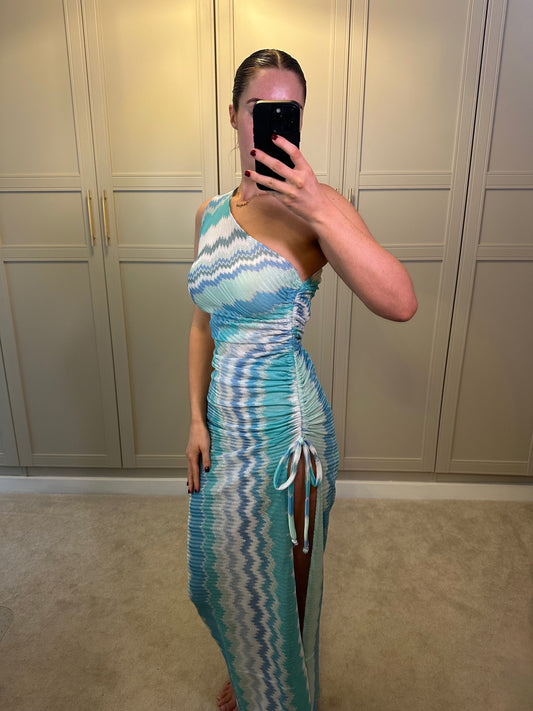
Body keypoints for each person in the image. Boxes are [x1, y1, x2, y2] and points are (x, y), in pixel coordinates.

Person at [186, 49, 417, 711]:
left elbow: (399, 300)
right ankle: (252, 669)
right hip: (224, 427)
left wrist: (317, 206)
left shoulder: (320, 208)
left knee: (288, 584)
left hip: (290, 437)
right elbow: (202, 324)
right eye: (260, 109)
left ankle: (281, 692)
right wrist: (196, 420)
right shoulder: (208, 213)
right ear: (235, 116)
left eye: (289, 112)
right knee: (216, 577)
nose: (272, 123)